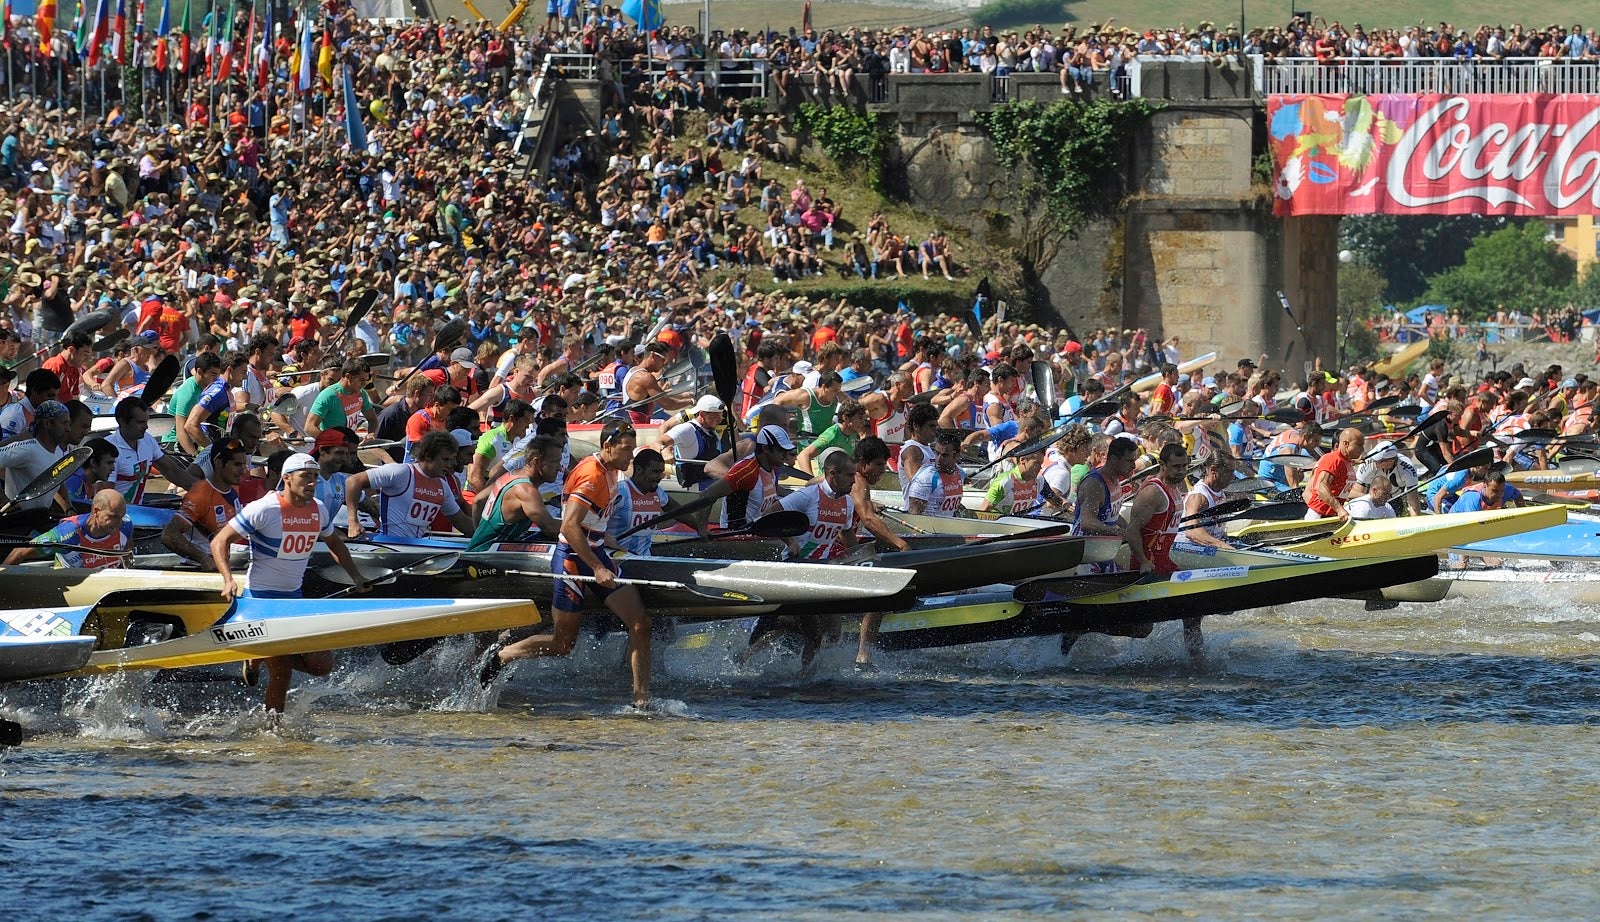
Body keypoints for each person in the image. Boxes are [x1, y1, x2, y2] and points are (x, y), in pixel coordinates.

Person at [478, 420, 655, 710]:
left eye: (632, 450)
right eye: (625, 450)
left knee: (640, 624)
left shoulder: (612, 470)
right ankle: (503, 656)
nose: (630, 457)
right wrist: (597, 568)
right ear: (607, 446)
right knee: (562, 645)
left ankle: (641, 702)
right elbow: (570, 528)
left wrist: (603, 539)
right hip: (573, 559)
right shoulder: (591, 475)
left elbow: (588, 523)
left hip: (597, 552)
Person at [210, 453, 369, 717]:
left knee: (321, 665)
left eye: (315, 478)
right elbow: (219, 541)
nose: (311, 483)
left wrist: (356, 576)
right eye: (305, 477)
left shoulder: (318, 508)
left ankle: (256, 655)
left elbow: (335, 543)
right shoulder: (264, 508)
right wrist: (227, 580)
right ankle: (275, 730)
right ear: (286, 478)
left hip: (294, 598)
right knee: (281, 672)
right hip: (261, 600)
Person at [1124, 443, 1205, 664]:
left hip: (1165, 564)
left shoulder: (1175, 488)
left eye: (1184, 466)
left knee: (1193, 608)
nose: (1181, 471)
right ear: (1162, 465)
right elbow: (1132, 530)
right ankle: (1084, 630)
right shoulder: (1153, 491)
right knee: (1141, 629)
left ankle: (1196, 657)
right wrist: (1142, 562)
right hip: (1147, 567)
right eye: (1176, 466)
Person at [344, 431, 475, 540]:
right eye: (445, 459)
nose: (451, 464)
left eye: (453, 459)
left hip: (416, 546)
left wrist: (486, 537)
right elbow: (353, 482)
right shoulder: (400, 472)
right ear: (428, 456)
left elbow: (461, 521)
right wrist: (353, 522)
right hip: (388, 543)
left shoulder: (442, 487)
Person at [468, 434, 565, 550]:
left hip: (482, 549)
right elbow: (551, 528)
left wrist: (479, 534)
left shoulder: (511, 475)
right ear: (536, 462)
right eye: (555, 462)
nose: (560, 468)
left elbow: (478, 500)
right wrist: (582, 528)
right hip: (488, 557)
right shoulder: (525, 490)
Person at [160, 440, 246, 569]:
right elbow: (169, 535)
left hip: (221, 568)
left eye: (244, 465)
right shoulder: (201, 493)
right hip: (196, 570)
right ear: (218, 463)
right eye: (237, 465)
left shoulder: (235, 490)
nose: (243, 471)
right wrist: (202, 558)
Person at [607, 448, 705, 555]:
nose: (659, 478)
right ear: (639, 470)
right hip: (615, 558)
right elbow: (591, 523)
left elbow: (677, 511)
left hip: (644, 559)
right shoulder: (620, 492)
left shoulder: (657, 492)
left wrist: (699, 528)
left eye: (661, 472)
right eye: (655, 472)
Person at [700, 425, 798, 528]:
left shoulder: (772, 466)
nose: (785, 456)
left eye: (787, 451)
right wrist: (702, 528)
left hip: (756, 531)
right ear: (766, 449)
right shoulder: (746, 472)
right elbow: (706, 495)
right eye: (781, 450)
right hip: (736, 534)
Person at [5, 489, 131, 568]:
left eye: (121, 517)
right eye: (114, 517)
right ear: (97, 511)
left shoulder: (126, 525)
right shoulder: (67, 533)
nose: (119, 523)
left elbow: (128, 558)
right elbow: (19, 552)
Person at [105, 397, 199, 502]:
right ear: (123, 422)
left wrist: (205, 491)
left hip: (138, 510)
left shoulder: (147, 440)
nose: (146, 427)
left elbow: (172, 471)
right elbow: (105, 495)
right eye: (140, 422)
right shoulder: (108, 449)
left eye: (146, 421)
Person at [0, 400, 73, 512]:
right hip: (15, 524)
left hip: (40, 520)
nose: (68, 429)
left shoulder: (58, 452)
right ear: (48, 423)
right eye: (64, 423)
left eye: (69, 424)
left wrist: (69, 509)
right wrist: (3, 501)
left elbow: (57, 481)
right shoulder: (26, 449)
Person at [654, 394, 727, 491]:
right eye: (716, 417)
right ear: (702, 415)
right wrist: (665, 451)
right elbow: (657, 443)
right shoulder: (686, 429)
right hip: (696, 486)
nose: (720, 420)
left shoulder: (711, 431)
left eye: (720, 416)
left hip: (711, 481)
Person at [304, 359, 377, 439]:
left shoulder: (361, 393)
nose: (364, 384)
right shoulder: (328, 395)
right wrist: (332, 442)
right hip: (333, 449)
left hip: (351, 445)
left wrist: (371, 434)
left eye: (366, 380)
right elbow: (309, 427)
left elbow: (372, 419)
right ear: (348, 377)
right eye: (361, 380)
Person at [1305, 427, 1366, 521]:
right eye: (1359, 445)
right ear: (1345, 444)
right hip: (1319, 516)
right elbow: (1320, 487)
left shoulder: (1346, 461)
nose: (1362, 449)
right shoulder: (1332, 459)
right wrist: (1339, 509)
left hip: (1332, 516)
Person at [905, 430, 965, 517]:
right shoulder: (926, 477)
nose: (938, 459)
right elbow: (914, 515)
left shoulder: (960, 473)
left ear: (957, 455)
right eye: (937, 453)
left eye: (944, 455)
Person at [1353, 441, 1422, 516]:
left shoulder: (1408, 468)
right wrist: (1373, 500)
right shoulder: (1368, 463)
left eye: (1378, 461)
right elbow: (1356, 494)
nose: (1374, 462)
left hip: (1395, 498)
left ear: (1390, 461)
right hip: (1370, 498)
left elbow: (1414, 504)